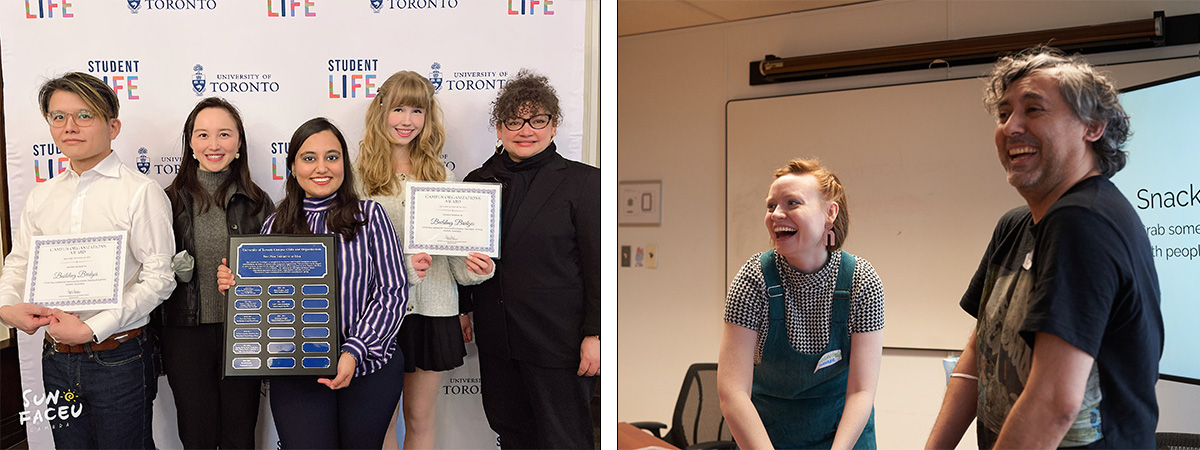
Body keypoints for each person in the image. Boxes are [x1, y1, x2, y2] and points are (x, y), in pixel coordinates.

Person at [925, 46, 1163, 449]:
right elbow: (981, 348)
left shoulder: (1084, 221)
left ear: (1093, 127)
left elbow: (1054, 403)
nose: (1011, 127)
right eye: (1003, 114)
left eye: (1034, 110)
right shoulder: (1016, 225)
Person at [218, 117, 422, 448]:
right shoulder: (275, 226)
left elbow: (393, 292)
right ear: (293, 167)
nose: (321, 167)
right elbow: (269, 307)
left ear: (345, 163)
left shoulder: (370, 217)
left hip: (367, 369)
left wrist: (354, 351)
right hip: (297, 372)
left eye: (332, 156)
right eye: (309, 158)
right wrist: (238, 287)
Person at [0, 72, 176, 448]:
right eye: (57, 117)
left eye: (84, 115)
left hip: (119, 357)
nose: (69, 127)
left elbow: (160, 277)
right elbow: (19, 261)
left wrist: (94, 327)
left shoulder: (140, 193)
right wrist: (7, 307)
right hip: (56, 359)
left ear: (113, 126)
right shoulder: (41, 196)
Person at [459, 69, 600, 449]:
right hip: (498, 341)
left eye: (538, 120)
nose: (527, 129)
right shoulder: (477, 182)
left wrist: (596, 334)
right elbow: (463, 256)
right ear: (500, 129)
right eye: (515, 120)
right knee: (512, 434)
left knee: (564, 439)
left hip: (559, 343)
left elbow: (597, 266)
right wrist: (462, 308)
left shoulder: (584, 183)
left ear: (553, 127)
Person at [354, 70, 495, 450]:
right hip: (378, 315)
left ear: (427, 118)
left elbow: (456, 266)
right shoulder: (356, 178)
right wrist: (401, 271)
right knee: (380, 422)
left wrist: (476, 268)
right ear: (380, 110)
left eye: (417, 111)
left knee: (419, 419)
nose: (407, 121)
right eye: (398, 109)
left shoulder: (442, 178)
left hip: (433, 313)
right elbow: (347, 259)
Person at [717, 158, 884, 449]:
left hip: (843, 438)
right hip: (768, 440)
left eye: (792, 203)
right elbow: (732, 392)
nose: (776, 214)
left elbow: (861, 391)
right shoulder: (752, 279)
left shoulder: (862, 281)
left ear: (829, 213)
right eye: (771, 206)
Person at [158, 97, 274, 449]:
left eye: (224, 134)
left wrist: (252, 279)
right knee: (196, 435)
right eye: (203, 134)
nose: (214, 144)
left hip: (244, 333)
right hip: (184, 334)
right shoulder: (166, 200)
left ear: (238, 143)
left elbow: (275, 274)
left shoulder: (258, 202)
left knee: (240, 436)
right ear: (190, 143)